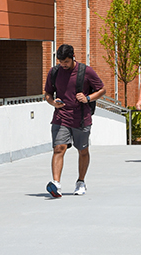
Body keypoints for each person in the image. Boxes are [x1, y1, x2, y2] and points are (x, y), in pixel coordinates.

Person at [44, 44, 106, 198]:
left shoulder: (86, 71)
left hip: (81, 118)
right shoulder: (54, 72)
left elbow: (102, 89)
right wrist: (53, 103)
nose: (63, 64)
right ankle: (56, 184)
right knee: (59, 148)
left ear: (73, 57)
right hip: (60, 117)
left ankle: (80, 181)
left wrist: (88, 98)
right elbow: (47, 94)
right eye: (60, 61)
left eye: (65, 61)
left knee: (82, 150)